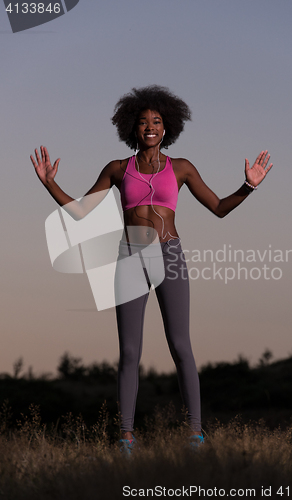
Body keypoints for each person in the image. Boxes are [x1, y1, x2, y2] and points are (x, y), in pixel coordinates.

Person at [30, 85, 272, 451]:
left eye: (156, 121)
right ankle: (126, 436)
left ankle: (195, 433)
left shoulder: (182, 168)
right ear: (132, 127)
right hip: (130, 256)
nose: (149, 127)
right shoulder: (116, 169)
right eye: (143, 122)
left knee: (181, 346)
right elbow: (81, 213)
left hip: (169, 256)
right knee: (129, 352)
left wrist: (248, 186)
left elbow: (220, 208)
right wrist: (50, 183)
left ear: (167, 127)